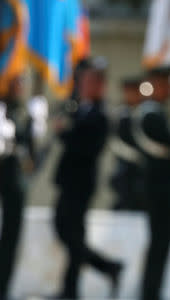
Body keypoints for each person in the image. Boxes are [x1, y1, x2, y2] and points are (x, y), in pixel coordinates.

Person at [52, 57, 122, 299]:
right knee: (66, 233)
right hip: (68, 182)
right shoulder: (78, 108)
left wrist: (65, 133)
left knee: (72, 237)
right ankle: (106, 268)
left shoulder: (101, 114)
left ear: (100, 85)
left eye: (89, 81)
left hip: (81, 185)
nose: (84, 85)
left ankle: (72, 290)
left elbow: (89, 146)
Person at [0, 75, 34, 300]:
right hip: (1, 179)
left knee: (11, 237)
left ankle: (2, 289)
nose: (19, 86)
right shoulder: (0, 109)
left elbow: (30, 151)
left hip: (17, 180)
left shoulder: (24, 112)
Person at [133, 65, 170, 300]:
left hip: (162, 187)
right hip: (159, 188)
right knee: (158, 243)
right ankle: (150, 293)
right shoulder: (150, 113)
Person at [110, 75, 145, 211]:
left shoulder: (143, 113)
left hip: (142, 169)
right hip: (125, 166)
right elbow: (115, 142)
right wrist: (134, 155)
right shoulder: (120, 114)